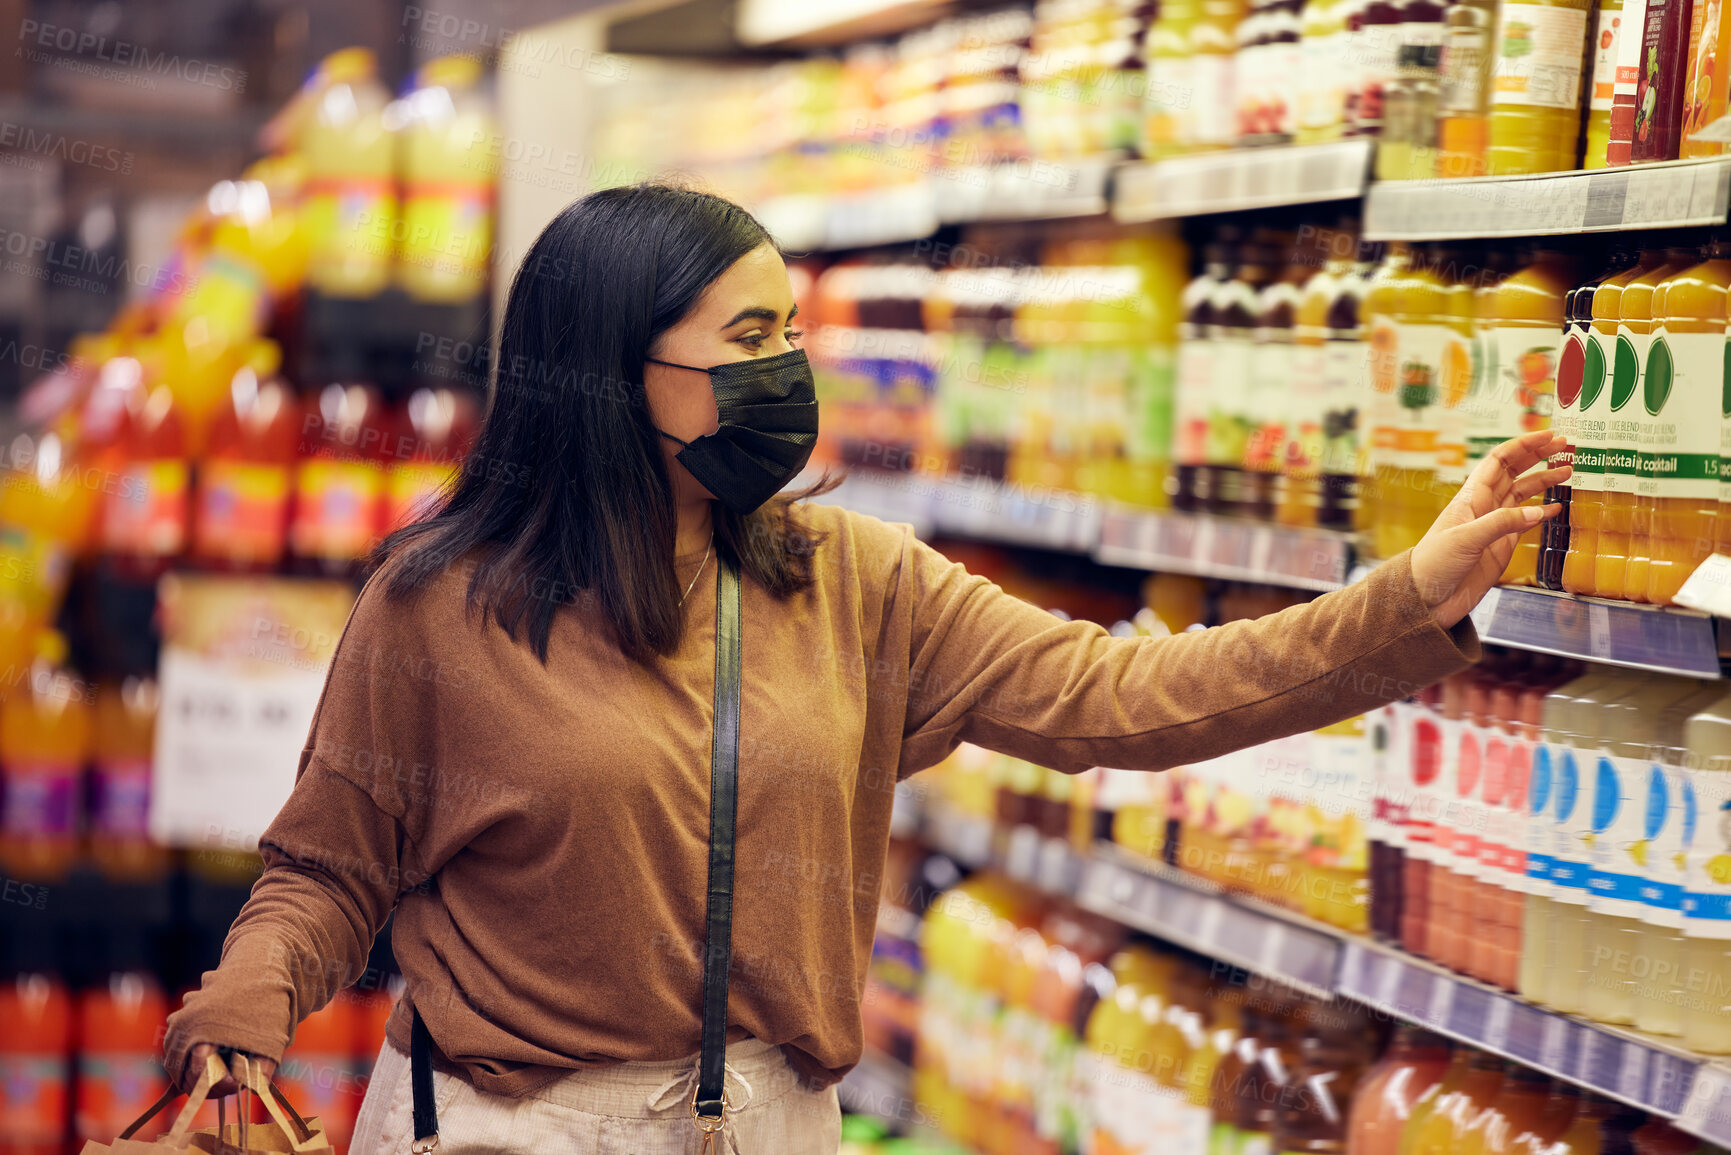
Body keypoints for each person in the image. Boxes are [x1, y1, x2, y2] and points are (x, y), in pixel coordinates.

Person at [162, 183, 1566, 1154]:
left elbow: (1126, 696)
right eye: (750, 340)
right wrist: (245, 1009)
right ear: (607, 372)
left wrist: (1405, 601)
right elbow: (332, 867)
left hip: (776, 1121)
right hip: (516, 1126)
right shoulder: (442, 605)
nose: (791, 371)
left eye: (794, 333)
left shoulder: (851, 581)